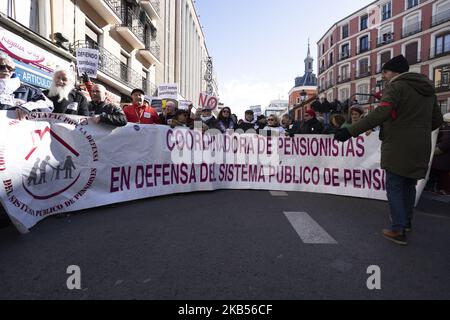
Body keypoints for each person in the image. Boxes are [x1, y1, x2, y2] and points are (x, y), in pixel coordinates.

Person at [335, 55, 443, 245]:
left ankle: (398, 229)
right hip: (421, 145)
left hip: (399, 144)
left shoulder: (396, 86)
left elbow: (381, 113)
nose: (383, 76)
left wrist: (350, 131)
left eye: (385, 72)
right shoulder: (428, 90)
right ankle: (406, 222)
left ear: (394, 72)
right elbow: (436, 120)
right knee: (409, 185)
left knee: (394, 185)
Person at [431, 113, 450, 195]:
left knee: (443, 178)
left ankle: (444, 190)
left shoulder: (447, 132)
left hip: (443, 162)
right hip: (443, 162)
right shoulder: (446, 131)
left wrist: (431, 151)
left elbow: (442, 148)